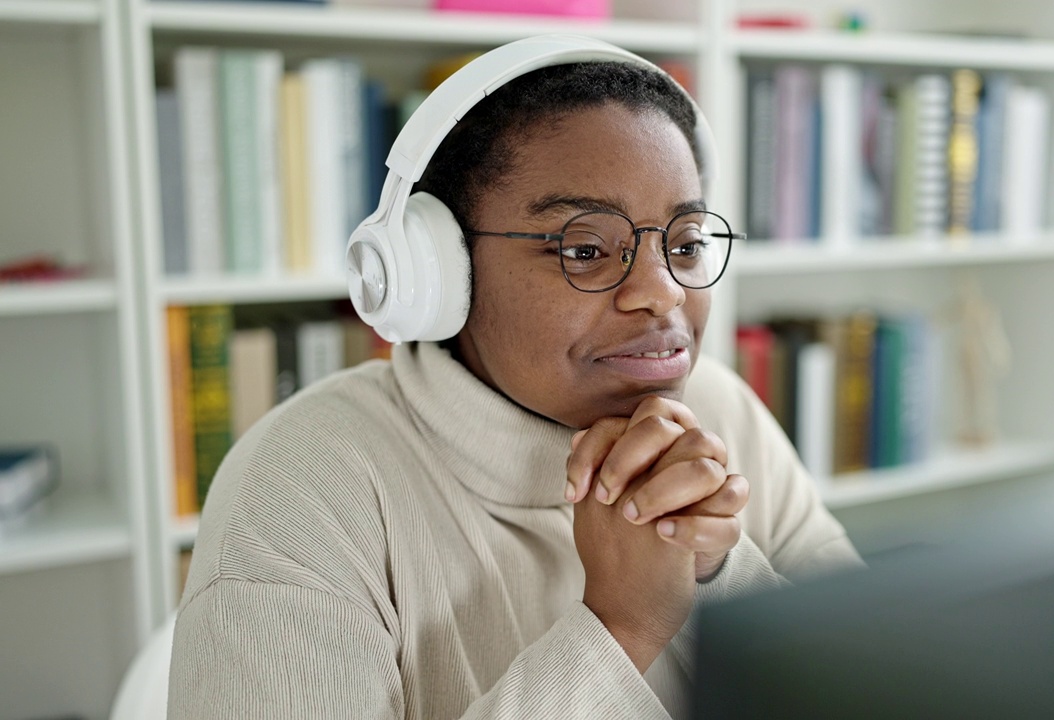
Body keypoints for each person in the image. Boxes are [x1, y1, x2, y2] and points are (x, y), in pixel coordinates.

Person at [169, 37, 860, 719]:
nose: (664, 292)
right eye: (586, 249)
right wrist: (621, 628)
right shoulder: (303, 486)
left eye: (684, 245)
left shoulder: (720, 410)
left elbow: (882, 677)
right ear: (441, 273)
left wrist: (714, 568)